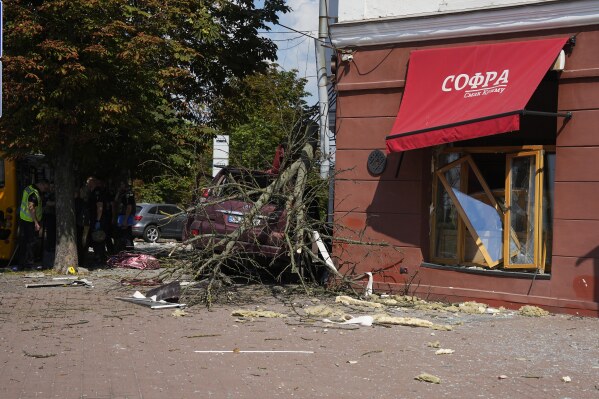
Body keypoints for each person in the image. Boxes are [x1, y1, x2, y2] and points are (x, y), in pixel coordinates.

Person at [17, 179, 50, 270]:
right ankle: (29, 265)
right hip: (30, 222)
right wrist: (36, 222)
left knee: (24, 243)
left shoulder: (28, 188)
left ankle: (21, 265)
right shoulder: (34, 194)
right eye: (45, 188)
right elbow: (31, 207)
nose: (45, 190)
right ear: (42, 185)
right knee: (31, 243)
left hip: (24, 219)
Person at [115, 181, 136, 252]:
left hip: (126, 216)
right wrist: (118, 192)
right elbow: (115, 200)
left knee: (127, 235)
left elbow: (129, 207)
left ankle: (129, 252)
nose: (120, 186)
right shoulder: (122, 194)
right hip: (121, 216)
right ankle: (123, 251)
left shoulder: (129, 194)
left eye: (122, 185)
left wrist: (125, 220)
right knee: (121, 235)